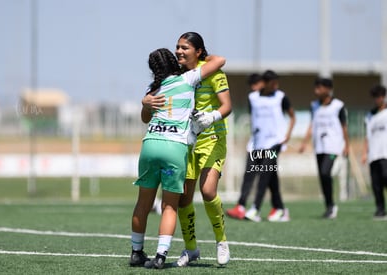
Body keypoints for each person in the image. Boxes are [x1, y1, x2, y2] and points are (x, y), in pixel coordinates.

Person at [130, 48, 226, 269]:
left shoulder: (151, 90)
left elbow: (145, 118)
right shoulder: (188, 78)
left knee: (142, 204)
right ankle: (161, 256)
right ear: (174, 62)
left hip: (150, 145)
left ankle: (136, 252)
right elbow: (220, 60)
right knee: (170, 207)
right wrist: (201, 57)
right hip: (174, 147)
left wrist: (145, 104)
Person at [226, 70, 295, 222]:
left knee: (264, 173)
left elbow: (292, 116)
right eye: (273, 82)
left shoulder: (280, 96)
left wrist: (287, 135)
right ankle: (280, 209)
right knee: (267, 176)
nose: (275, 85)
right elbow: (255, 119)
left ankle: (255, 209)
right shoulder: (253, 98)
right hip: (257, 144)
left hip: (274, 143)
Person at [299, 77, 349, 219]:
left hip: (333, 147)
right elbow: (312, 125)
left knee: (325, 172)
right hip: (319, 147)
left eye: (319, 88)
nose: (316, 90)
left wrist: (347, 145)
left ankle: (331, 205)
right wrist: (304, 142)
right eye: (316, 87)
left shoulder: (338, 106)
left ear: (328, 89)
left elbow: (344, 127)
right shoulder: (314, 105)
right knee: (322, 176)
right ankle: (330, 206)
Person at [361, 84, 387, 219]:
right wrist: (364, 153)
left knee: (385, 177)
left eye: (379, 96)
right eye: (375, 97)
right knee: (376, 184)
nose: (377, 99)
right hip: (374, 154)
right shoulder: (370, 116)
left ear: (383, 97)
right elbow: (367, 136)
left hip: (385, 153)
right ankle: (380, 209)